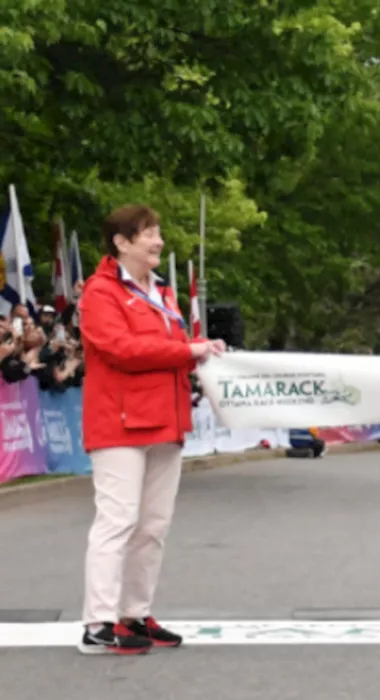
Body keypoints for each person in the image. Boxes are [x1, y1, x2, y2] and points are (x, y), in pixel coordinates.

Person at [77, 204, 226, 655]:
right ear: (121, 243)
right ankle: (97, 623)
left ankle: (135, 614)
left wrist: (203, 353)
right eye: (147, 234)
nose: (158, 242)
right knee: (117, 521)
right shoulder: (100, 292)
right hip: (119, 422)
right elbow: (122, 349)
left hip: (166, 419)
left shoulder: (163, 293)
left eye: (158, 233)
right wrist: (187, 351)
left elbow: (174, 348)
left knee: (153, 525)